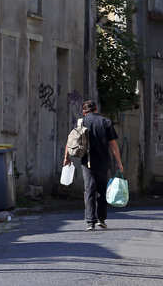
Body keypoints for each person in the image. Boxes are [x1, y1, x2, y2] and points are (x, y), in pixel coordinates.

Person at [63, 99, 124, 231]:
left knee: (89, 190)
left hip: (87, 161)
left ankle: (90, 221)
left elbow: (70, 141)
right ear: (96, 109)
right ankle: (101, 220)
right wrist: (119, 162)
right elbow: (113, 145)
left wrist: (66, 158)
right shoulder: (106, 122)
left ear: (84, 111)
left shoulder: (81, 122)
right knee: (102, 190)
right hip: (103, 161)